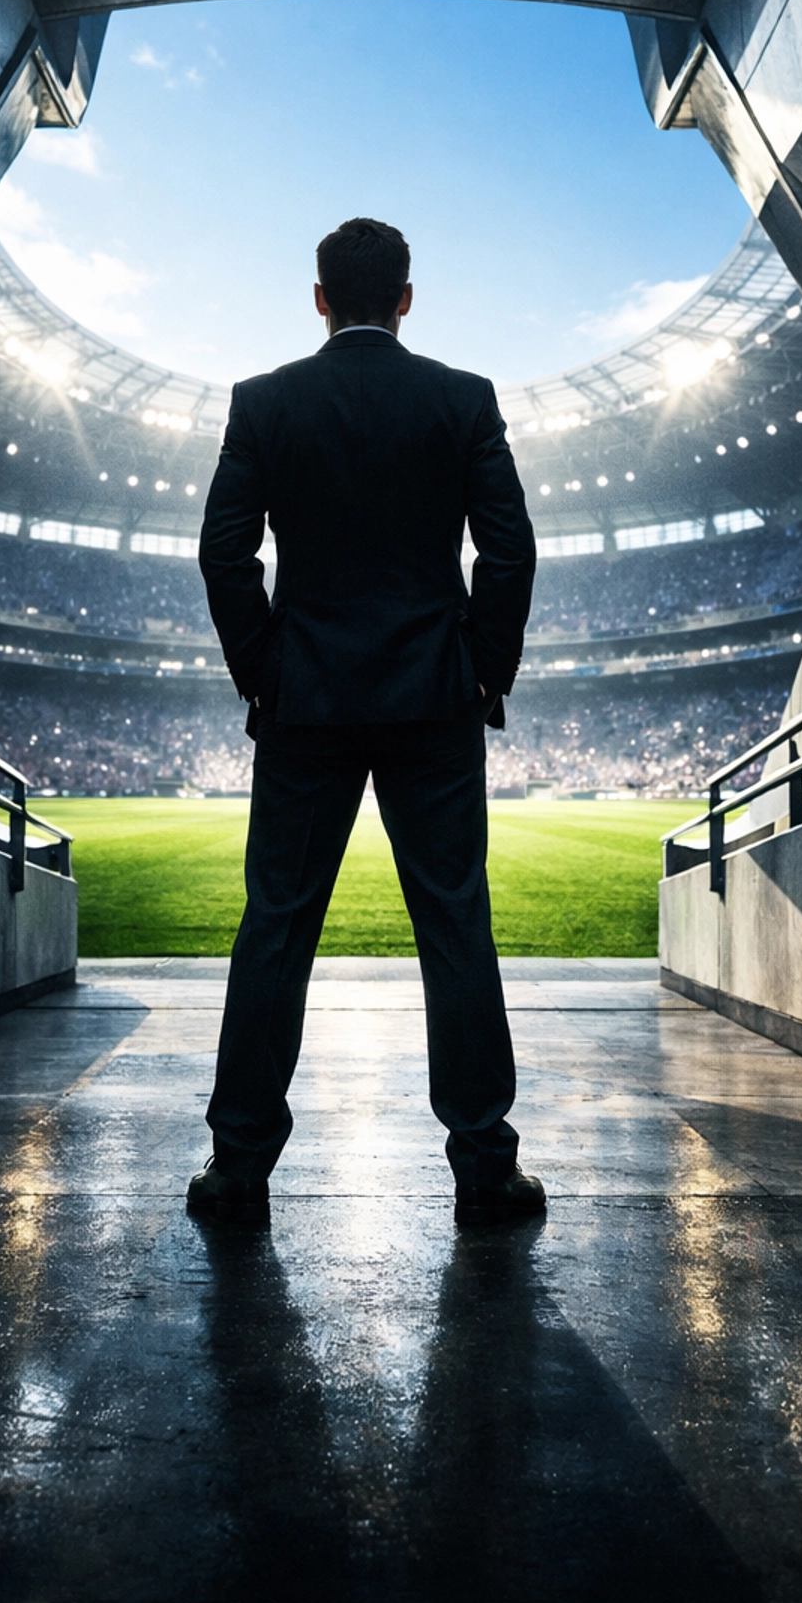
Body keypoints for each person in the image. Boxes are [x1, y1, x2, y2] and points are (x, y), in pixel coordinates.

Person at [190, 217, 542, 1224]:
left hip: (306, 703)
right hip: (432, 701)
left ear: (317, 298)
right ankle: (484, 1166)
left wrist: (265, 671)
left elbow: (225, 554)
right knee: (455, 928)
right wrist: (481, 670)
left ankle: (239, 1167)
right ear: (405, 298)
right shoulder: (461, 401)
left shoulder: (264, 405)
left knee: (276, 926)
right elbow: (508, 550)